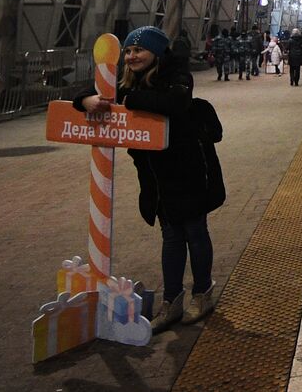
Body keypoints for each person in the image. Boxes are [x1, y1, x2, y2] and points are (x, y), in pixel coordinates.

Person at [72, 26, 224, 331]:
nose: (132, 57)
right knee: (170, 237)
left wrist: (130, 99)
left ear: (156, 52)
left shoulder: (177, 75)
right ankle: (172, 301)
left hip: (189, 171)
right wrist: (85, 101)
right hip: (157, 178)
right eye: (128, 51)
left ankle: (203, 293)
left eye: (138, 50)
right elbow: (92, 94)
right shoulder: (128, 83)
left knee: (194, 232)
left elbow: (174, 104)